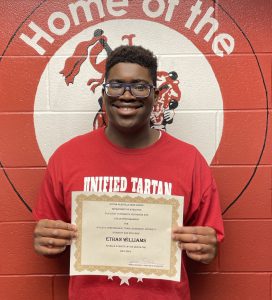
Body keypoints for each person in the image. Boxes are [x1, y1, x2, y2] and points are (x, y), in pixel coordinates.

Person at [33, 45, 224, 300]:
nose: (126, 94)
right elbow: (48, 233)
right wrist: (46, 239)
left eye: (139, 86)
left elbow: (209, 240)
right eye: (116, 85)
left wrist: (207, 246)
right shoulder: (66, 158)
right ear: (104, 92)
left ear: (155, 95)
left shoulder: (190, 161)